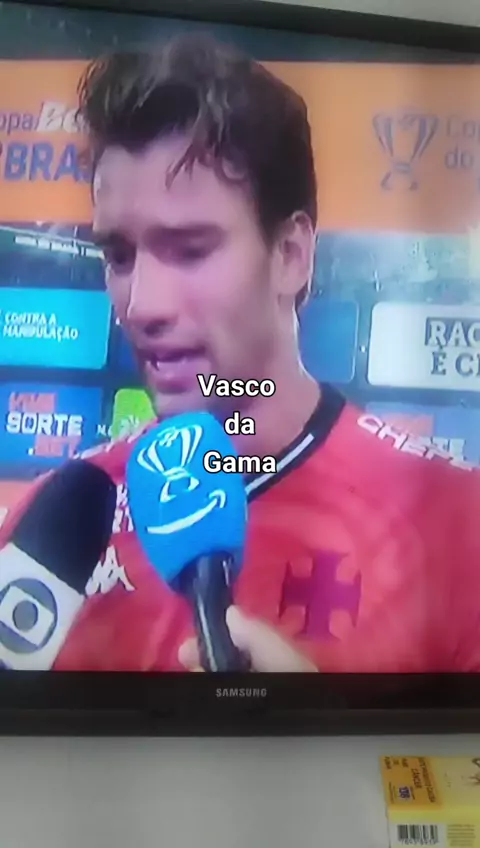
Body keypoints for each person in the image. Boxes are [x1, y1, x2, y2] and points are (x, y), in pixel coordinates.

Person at [2, 32, 480, 673]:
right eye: (119, 255)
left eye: (190, 249)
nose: (142, 305)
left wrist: (323, 729)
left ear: (291, 255)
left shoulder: (457, 526)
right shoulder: (50, 533)